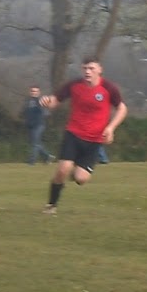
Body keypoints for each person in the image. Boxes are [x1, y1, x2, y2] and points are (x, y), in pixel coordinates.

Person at [40, 56, 127, 214]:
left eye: (91, 68)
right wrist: (47, 101)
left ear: (99, 70)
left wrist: (111, 128)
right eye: (85, 68)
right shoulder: (74, 85)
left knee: (81, 179)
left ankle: (74, 172)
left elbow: (122, 108)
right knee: (63, 169)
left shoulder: (109, 88)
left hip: (94, 141)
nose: (87, 71)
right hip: (73, 134)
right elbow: (55, 101)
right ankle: (51, 205)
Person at [22, 85, 55, 165]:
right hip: (30, 125)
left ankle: (31, 161)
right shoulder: (28, 102)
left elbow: (46, 112)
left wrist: (42, 109)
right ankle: (47, 157)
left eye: (36, 91)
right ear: (30, 92)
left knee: (34, 144)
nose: (34, 93)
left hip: (39, 125)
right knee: (36, 143)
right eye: (32, 91)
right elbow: (25, 113)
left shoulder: (40, 101)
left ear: (39, 92)